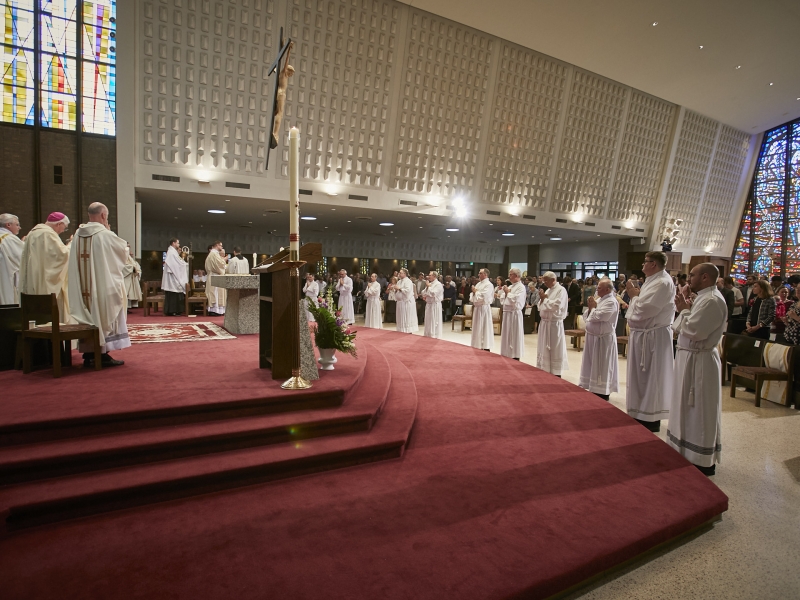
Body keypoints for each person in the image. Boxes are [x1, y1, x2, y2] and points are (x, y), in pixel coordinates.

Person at [667, 263, 728, 477]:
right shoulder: (703, 297)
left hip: (701, 361)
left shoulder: (712, 300)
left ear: (704, 277)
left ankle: (702, 460)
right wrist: (685, 308)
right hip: (689, 357)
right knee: (687, 407)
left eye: (691, 275)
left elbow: (694, 330)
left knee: (700, 409)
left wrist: (683, 310)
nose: (688, 278)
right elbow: (681, 327)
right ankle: (685, 451)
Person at [66, 202, 130, 367]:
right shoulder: (105, 234)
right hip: (102, 287)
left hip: (82, 289)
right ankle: (101, 354)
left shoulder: (78, 234)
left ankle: (89, 354)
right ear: (103, 215)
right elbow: (124, 252)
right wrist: (108, 230)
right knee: (103, 316)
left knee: (88, 317)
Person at [624, 251, 675, 432]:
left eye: (645, 262)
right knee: (641, 377)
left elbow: (646, 309)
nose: (643, 265)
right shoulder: (652, 280)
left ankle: (651, 417)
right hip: (644, 335)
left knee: (652, 377)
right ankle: (640, 412)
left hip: (653, 337)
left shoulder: (663, 282)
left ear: (653, 264)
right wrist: (636, 296)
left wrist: (633, 295)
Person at [19, 212, 73, 322]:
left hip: (34, 280)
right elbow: (61, 256)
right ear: (59, 224)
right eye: (64, 228)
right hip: (45, 283)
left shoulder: (33, 233)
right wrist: (72, 244)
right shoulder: (48, 234)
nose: (63, 231)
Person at [579, 278, 619, 400]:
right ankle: (593, 386)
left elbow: (601, 316)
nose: (597, 289)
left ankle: (602, 391)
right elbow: (587, 316)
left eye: (599, 288)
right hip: (593, 337)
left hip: (603, 340)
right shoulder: (600, 299)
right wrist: (591, 308)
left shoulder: (611, 301)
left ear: (607, 289)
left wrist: (592, 308)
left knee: (602, 365)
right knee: (592, 364)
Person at [536, 271, 569, 376]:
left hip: (554, 324)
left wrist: (544, 300)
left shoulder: (561, 290)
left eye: (546, 280)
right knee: (544, 348)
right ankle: (545, 369)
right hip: (545, 323)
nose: (544, 283)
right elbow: (539, 306)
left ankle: (556, 372)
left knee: (555, 348)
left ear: (553, 280)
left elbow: (557, 305)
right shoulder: (548, 290)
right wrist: (542, 300)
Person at [270, 40, 294, 149]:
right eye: (291, 72)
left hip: (280, 94)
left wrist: (283, 46)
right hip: (281, 94)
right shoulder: (284, 73)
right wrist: (288, 48)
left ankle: (275, 133)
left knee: (277, 113)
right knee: (280, 114)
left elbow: (279, 61)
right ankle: (275, 133)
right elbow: (284, 62)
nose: (291, 74)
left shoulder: (281, 75)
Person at [500, 268, 525, 360]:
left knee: (514, 335)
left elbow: (516, 300)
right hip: (507, 314)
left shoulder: (521, 287)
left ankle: (514, 355)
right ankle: (506, 353)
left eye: (511, 274)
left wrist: (507, 293)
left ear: (517, 276)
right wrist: (507, 293)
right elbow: (502, 299)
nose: (509, 276)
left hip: (514, 314)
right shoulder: (510, 287)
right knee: (506, 334)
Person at [0, 212, 24, 304]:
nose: (19, 227)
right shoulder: (9, 239)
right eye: (17, 224)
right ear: (8, 225)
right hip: (5, 276)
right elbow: (21, 259)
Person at [162, 238, 188, 316]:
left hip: (173, 276)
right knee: (173, 293)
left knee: (176, 293)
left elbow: (178, 262)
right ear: (173, 243)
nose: (179, 245)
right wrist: (185, 265)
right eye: (178, 243)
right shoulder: (171, 252)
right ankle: (172, 311)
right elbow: (175, 265)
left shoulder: (173, 252)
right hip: (172, 277)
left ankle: (176, 310)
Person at [470, 268, 494, 351]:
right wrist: (474, 292)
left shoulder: (488, 284)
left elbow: (484, 296)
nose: (478, 275)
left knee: (484, 327)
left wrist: (476, 292)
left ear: (485, 274)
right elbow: (472, 297)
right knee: (477, 327)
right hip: (477, 308)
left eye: (480, 273)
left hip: (484, 309)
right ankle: (477, 345)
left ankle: (485, 346)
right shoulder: (478, 284)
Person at [205, 241, 228, 315]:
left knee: (216, 294)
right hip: (215, 277)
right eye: (221, 245)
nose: (221, 247)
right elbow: (219, 265)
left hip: (215, 276)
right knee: (215, 294)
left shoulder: (214, 254)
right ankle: (215, 311)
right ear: (217, 245)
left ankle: (216, 310)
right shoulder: (214, 254)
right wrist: (224, 261)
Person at [394, 268, 418, 333]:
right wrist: (396, 290)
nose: (399, 274)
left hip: (406, 302)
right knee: (400, 317)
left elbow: (407, 291)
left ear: (405, 274)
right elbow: (398, 290)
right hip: (400, 302)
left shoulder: (408, 281)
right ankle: (400, 329)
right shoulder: (399, 281)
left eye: (400, 273)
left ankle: (407, 330)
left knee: (406, 317)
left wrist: (399, 288)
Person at [421, 271, 443, 339]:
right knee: (428, 320)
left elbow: (433, 294)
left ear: (434, 276)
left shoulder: (438, 284)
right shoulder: (430, 284)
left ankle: (434, 335)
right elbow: (423, 293)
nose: (428, 276)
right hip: (429, 304)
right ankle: (428, 334)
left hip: (435, 305)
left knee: (434, 320)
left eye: (430, 275)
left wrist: (428, 287)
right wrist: (427, 288)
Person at [782, 275, 800, 345]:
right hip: (789, 336)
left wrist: (796, 317)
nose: (798, 291)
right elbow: (790, 322)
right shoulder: (794, 304)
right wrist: (786, 321)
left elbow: (795, 318)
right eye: (797, 289)